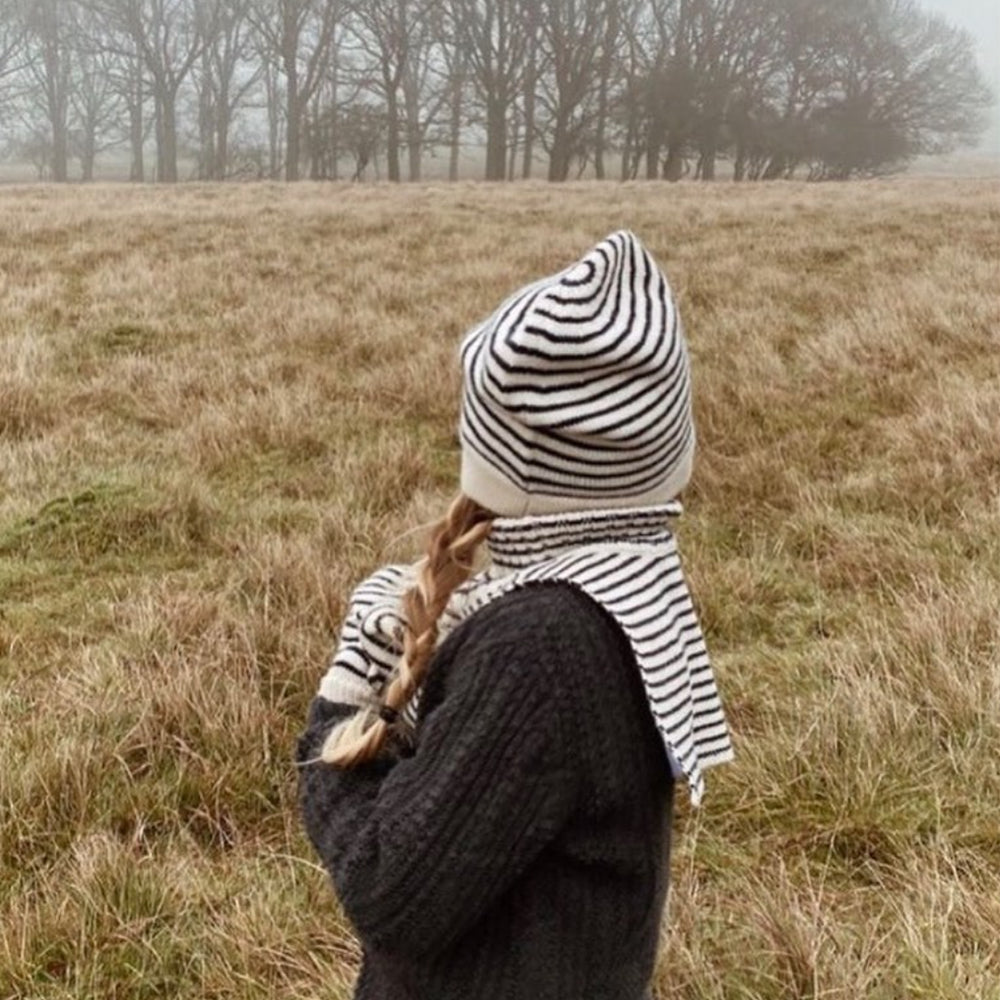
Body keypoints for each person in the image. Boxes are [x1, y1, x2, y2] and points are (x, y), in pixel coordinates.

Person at [296, 230, 733, 1000]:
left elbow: (390, 891)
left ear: (504, 446)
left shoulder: (538, 647)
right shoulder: (627, 587)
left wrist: (347, 699)